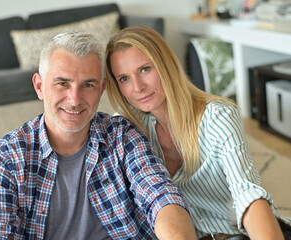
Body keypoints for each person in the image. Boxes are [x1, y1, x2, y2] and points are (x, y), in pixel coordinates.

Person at [0, 31, 197, 239]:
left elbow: (160, 197)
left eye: (87, 85)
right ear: (40, 86)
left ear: (101, 89)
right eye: (63, 83)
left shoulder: (123, 136)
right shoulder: (4, 158)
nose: (75, 99)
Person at [105, 26, 291, 240]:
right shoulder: (127, 128)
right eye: (124, 79)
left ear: (166, 65)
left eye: (145, 69)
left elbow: (247, 192)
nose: (137, 87)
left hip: (237, 234)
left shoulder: (217, 116)